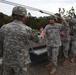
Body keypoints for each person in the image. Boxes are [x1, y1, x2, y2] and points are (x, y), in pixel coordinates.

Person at [0, 6, 44, 75]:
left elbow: (1, 45)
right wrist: (42, 34)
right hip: (21, 62)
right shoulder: (27, 29)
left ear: (13, 15)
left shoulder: (3, 28)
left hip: (6, 61)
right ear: (23, 17)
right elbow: (38, 40)